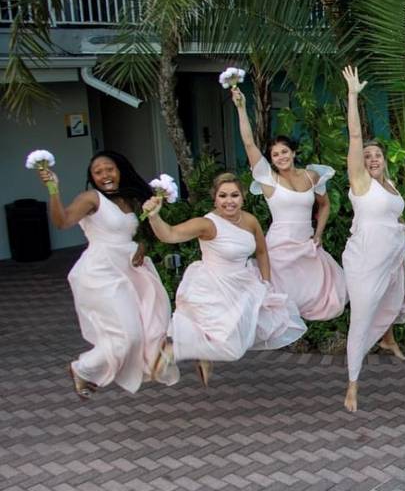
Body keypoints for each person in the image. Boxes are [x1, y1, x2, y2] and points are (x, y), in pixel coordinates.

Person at [35, 151, 179, 398]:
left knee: (149, 322)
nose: (105, 175)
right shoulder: (92, 199)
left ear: (120, 170)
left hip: (130, 271)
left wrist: (143, 245)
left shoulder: (129, 199)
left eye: (109, 169)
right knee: (128, 335)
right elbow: (62, 221)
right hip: (101, 272)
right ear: (92, 177)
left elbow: (139, 232)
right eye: (98, 172)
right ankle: (82, 369)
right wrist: (53, 190)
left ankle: (134, 363)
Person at [143, 173, 306, 386]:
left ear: (243, 197)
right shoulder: (207, 224)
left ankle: (204, 356)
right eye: (223, 196)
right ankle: (173, 350)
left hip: (243, 286)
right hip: (214, 285)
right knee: (232, 350)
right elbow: (170, 234)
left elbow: (262, 253)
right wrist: (154, 216)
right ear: (215, 199)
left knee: (236, 339)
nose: (229, 201)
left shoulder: (250, 220)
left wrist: (266, 284)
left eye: (234, 195)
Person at [231, 88, 347, 321]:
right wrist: (242, 108)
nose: (281, 157)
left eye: (284, 151)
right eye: (275, 155)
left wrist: (319, 233)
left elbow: (324, 205)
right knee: (279, 297)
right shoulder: (268, 179)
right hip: (279, 245)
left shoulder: (311, 176)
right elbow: (249, 144)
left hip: (306, 244)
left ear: (293, 152)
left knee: (315, 295)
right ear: (271, 160)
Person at [341, 66, 405, 412]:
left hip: (391, 256)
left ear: (385, 161)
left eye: (376, 155)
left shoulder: (390, 186)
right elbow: (355, 138)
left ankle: (387, 338)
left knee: (396, 297)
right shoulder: (362, 183)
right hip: (366, 258)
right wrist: (353, 96)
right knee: (361, 317)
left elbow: (394, 214)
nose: (371, 158)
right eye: (366, 156)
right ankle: (353, 383)